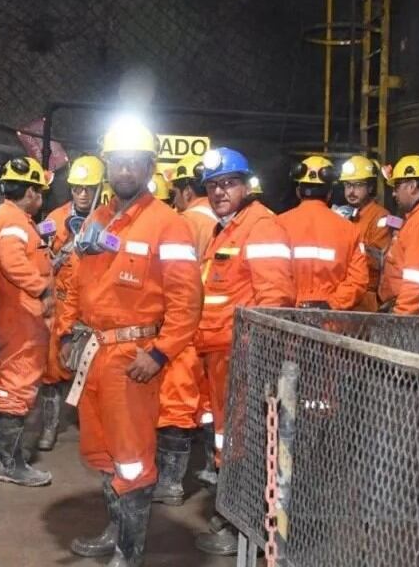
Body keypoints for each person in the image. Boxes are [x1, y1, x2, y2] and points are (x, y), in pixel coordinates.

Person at [58, 117, 202, 566]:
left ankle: (129, 552)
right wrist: (66, 332)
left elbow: (187, 300)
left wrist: (160, 353)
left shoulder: (168, 224)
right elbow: (74, 283)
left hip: (134, 358)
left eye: (133, 162)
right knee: (102, 452)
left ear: (148, 167)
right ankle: (114, 530)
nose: (124, 170)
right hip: (94, 352)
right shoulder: (95, 221)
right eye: (117, 161)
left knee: (133, 460)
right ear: (107, 165)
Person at [191, 147, 295, 555]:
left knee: (249, 444)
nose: (219, 192)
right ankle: (234, 516)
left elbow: (274, 300)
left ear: (246, 185)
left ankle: (245, 529)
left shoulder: (260, 227)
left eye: (229, 183)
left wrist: (258, 357)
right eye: (213, 186)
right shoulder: (228, 228)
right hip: (221, 356)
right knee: (229, 441)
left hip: (245, 358)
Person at [0, 155, 55, 487]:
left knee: (3, 381)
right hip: (22, 315)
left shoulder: (10, 217)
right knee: (19, 385)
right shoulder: (13, 221)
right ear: (30, 191)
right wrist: (42, 290)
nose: (41, 198)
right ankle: (10, 464)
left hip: (11, 312)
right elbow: (14, 263)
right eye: (40, 191)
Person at [37, 155, 104, 451]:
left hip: (94, 305)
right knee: (53, 368)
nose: (82, 195)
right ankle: (49, 429)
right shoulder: (54, 218)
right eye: (77, 188)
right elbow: (39, 258)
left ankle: (95, 432)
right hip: (62, 302)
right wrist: (56, 257)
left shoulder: (109, 219)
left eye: (88, 188)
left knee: (95, 369)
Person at [166, 154, 221, 488]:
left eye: (175, 192)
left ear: (187, 190)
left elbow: (171, 279)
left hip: (185, 324)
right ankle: (215, 470)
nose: (174, 199)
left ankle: (171, 483)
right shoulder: (229, 218)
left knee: (176, 400)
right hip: (218, 326)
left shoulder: (184, 222)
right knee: (212, 401)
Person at [278, 155, 368, 310]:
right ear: (329, 193)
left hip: (287, 318)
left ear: (299, 192)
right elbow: (358, 281)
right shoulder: (350, 229)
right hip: (331, 323)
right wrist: (330, 304)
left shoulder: (277, 224)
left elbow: (269, 275)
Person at [378, 154, 419, 315]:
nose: (394, 194)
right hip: (411, 310)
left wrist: (400, 315)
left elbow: (418, 276)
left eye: (397, 187)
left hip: (413, 315)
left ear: (412, 186)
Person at [339, 155, 391, 312]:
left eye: (358, 185)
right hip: (342, 293)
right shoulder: (342, 215)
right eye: (347, 185)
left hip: (366, 298)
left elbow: (378, 260)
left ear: (370, 187)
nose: (351, 191)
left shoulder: (381, 217)